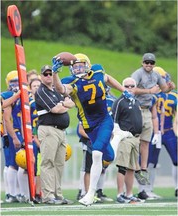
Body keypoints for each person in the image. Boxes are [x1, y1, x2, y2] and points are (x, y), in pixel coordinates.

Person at [52, 53, 132, 206]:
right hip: (89, 126)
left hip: (104, 121)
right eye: (74, 67)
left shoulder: (97, 71)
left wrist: (124, 90)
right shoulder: (73, 82)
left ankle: (90, 193)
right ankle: (118, 137)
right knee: (108, 157)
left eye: (80, 65)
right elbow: (61, 89)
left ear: (87, 65)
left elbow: (108, 79)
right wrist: (55, 73)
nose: (77, 69)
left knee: (96, 153)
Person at [128, 53, 175, 193]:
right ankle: (135, 167)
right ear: (142, 62)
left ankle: (143, 168)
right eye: (146, 62)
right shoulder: (137, 74)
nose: (149, 64)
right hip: (136, 109)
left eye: (151, 62)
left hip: (148, 110)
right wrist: (149, 90)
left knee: (146, 142)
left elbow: (164, 89)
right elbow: (131, 89)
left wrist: (170, 87)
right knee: (134, 142)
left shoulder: (155, 75)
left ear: (154, 63)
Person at [34, 65, 75, 205]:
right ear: (41, 76)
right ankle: (48, 195)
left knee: (59, 164)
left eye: (50, 73)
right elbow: (56, 109)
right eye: (45, 74)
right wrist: (64, 104)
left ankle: (58, 195)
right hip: (49, 129)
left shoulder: (57, 90)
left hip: (61, 131)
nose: (48, 76)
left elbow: (72, 102)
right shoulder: (41, 91)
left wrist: (63, 104)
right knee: (48, 162)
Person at [1, 70, 25, 203]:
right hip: (12, 132)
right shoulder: (7, 95)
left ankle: (17, 192)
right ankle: (11, 193)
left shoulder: (23, 96)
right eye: (13, 81)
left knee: (18, 163)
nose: (16, 84)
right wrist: (14, 136)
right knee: (12, 163)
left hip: (20, 131)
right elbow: (7, 118)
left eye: (17, 81)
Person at [28, 78, 43, 204]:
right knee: (34, 167)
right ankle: (33, 193)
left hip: (43, 135)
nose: (37, 88)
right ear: (30, 88)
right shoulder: (31, 104)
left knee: (41, 168)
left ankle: (39, 192)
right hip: (34, 137)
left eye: (39, 85)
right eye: (34, 86)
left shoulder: (43, 101)